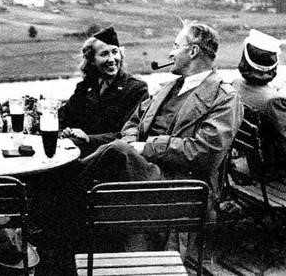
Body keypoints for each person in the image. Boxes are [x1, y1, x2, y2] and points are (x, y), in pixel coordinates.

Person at [34, 23, 243, 274]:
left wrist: (146, 147)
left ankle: (43, 205)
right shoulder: (169, 87)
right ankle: (54, 214)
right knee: (117, 154)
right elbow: (132, 123)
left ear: (193, 51)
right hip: (145, 173)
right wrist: (134, 142)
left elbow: (206, 151)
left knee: (118, 153)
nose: (170, 54)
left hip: (181, 185)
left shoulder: (225, 97)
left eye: (176, 47)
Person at [58, 26, 149, 156]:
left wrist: (88, 138)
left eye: (115, 52)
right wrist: (65, 131)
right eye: (104, 54)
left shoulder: (136, 89)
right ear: (92, 60)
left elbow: (128, 134)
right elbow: (64, 116)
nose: (112, 59)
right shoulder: (85, 87)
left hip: (111, 156)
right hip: (78, 151)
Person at [231, 29, 286, 176]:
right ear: (273, 66)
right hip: (270, 169)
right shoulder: (274, 101)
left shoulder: (235, 85)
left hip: (250, 161)